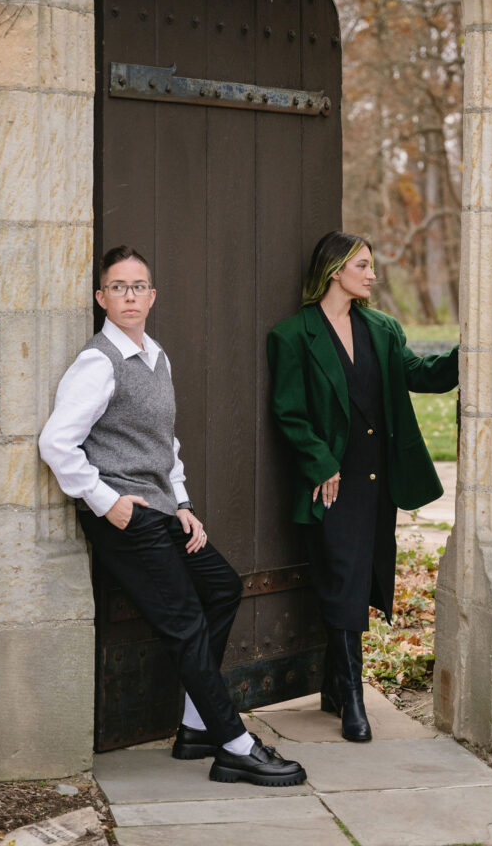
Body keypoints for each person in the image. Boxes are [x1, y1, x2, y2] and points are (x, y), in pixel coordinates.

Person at [39, 244, 306, 787]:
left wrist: (183, 503)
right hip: (125, 515)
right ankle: (234, 745)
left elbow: (167, 444)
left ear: (152, 295)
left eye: (138, 286)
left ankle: (195, 726)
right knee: (183, 623)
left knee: (224, 588)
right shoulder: (98, 362)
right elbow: (56, 443)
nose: (129, 295)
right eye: (118, 287)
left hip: (162, 507)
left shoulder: (156, 357)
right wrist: (105, 501)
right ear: (101, 298)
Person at [267, 231, 458, 742]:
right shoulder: (292, 335)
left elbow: (421, 374)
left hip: (377, 481)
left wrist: (474, 348)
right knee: (343, 579)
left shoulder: (384, 328)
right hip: (332, 483)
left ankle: (335, 686)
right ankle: (353, 697)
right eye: (365, 266)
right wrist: (321, 463)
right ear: (336, 271)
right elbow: (289, 412)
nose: (373, 275)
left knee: (361, 576)